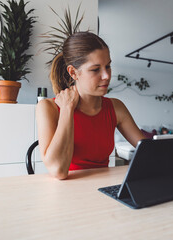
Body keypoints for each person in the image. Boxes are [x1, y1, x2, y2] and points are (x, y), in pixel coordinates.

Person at [36, 32, 145, 180]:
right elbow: (59, 171)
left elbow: (148, 152)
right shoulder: (48, 107)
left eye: (108, 66)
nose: (106, 75)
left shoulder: (116, 107)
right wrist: (67, 109)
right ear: (73, 72)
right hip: (65, 193)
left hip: (103, 188)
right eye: (95, 69)